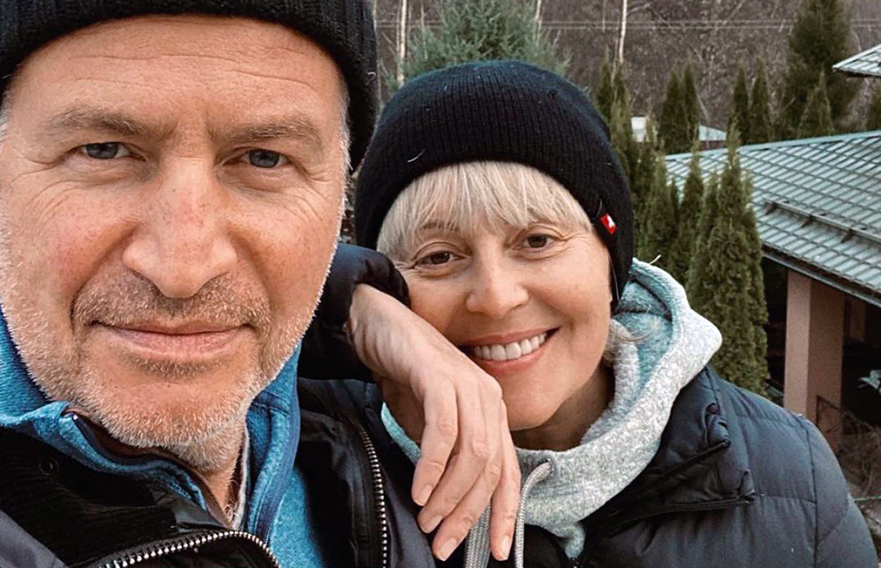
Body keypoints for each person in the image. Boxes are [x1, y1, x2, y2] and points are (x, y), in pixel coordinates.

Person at [0, 3, 520, 566]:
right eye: (103, 150)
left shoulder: (400, 436)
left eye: (264, 159)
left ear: (335, 203)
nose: (182, 271)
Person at [326, 60, 877, 567]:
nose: (495, 297)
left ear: (611, 262)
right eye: (438, 257)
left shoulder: (793, 476)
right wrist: (341, 304)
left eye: (537, 241)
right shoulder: (317, 445)